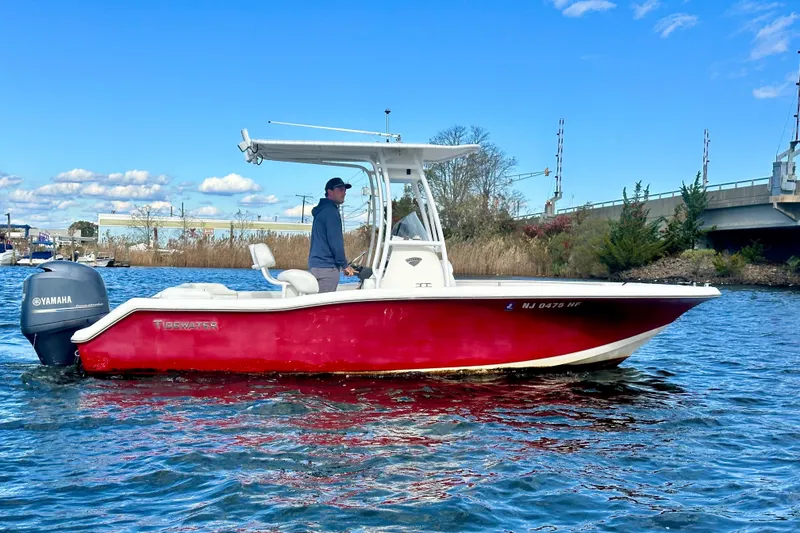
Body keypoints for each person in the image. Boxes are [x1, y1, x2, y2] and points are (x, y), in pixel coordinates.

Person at [308, 177, 356, 292]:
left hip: (316, 266)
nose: (344, 193)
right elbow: (335, 242)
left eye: (344, 190)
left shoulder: (321, 211)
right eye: (340, 189)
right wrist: (345, 265)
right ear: (329, 191)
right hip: (327, 269)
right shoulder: (331, 212)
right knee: (322, 308)